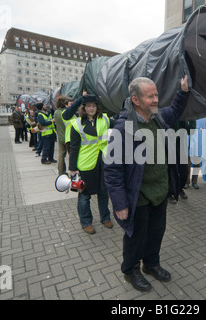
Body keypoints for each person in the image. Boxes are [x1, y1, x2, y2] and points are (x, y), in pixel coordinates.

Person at [104, 76, 190, 292]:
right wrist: (120, 204)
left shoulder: (158, 118)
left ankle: (151, 264)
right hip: (138, 197)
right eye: (150, 96)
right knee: (135, 237)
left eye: (156, 95)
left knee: (156, 232)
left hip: (160, 193)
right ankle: (130, 270)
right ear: (136, 100)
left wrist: (183, 91)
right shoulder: (123, 129)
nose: (155, 100)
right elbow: (112, 171)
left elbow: (175, 110)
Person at [68, 94, 113, 235]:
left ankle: (105, 218)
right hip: (86, 164)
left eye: (93, 106)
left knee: (104, 192)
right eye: (88, 106)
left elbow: (119, 124)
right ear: (83, 107)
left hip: (103, 161)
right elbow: (74, 147)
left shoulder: (105, 119)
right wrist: (72, 168)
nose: (91, 108)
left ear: (97, 107)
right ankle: (86, 222)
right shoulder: (77, 124)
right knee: (84, 195)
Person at [54, 95, 73, 175]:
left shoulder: (56, 112)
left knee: (61, 155)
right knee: (71, 156)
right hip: (68, 137)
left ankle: (61, 172)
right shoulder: (65, 113)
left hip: (60, 137)